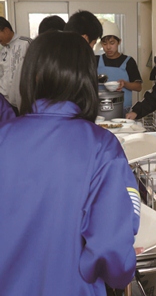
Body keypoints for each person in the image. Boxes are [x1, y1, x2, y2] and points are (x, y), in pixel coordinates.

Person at [0, 31, 140, 295]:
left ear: (32, 75)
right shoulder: (101, 146)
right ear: (85, 79)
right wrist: (122, 273)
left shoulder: (4, 136)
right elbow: (111, 249)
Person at [97, 20, 142, 113]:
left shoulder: (128, 61)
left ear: (119, 42)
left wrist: (125, 84)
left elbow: (138, 87)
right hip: (100, 106)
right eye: (104, 43)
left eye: (112, 43)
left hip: (123, 108)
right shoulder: (96, 60)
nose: (108, 47)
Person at [0, 16, 32, 113]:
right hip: (4, 101)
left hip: (22, 100)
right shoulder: (2, 50)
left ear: (5, 30)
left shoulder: (26, 43)